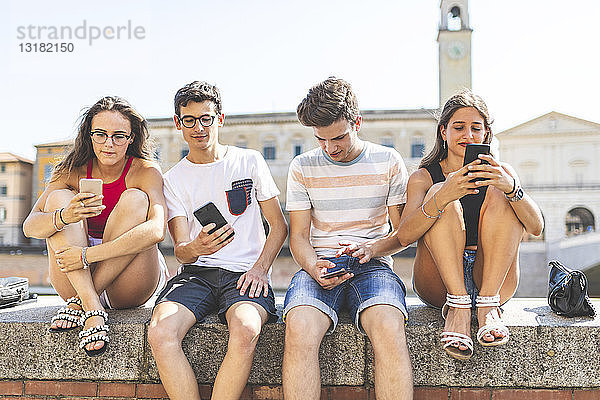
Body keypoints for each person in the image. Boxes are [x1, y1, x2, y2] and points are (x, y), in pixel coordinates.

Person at [147, 81, 287, 400]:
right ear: (178, 123)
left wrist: (260, 269)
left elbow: (278, 226)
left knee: (247, 329)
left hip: (246, 275)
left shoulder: (249, 161)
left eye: (206, 118)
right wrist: (196, 247)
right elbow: (182, 251)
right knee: (160, 332)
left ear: (220, 118)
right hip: (198, 276)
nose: (199, 127)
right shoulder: (173, 180)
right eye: (190, 120)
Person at [282, 77, 413, 400]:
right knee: (298, 328)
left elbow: (403, 234)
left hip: (374, 265)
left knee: (387, 326)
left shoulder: (388, 161)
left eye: (338, 137)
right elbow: (297, 237)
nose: (330, 148)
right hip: (320, 265)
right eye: (321, 139)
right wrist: (313, 266)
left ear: (357, 122)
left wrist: (372, 248)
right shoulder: (302, 166)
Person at [396, 90, 544, 360]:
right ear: (443, 132)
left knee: (503, 192)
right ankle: (458, 307)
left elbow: (536, 227)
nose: (468, 135)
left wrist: (511, 187)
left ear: (486, 133)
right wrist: (443, 195)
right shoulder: (422, 177)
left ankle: (487, 306)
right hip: (438, 279)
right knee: (439, 192)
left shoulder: (501, 171)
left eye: (476, 128)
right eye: (459, 127)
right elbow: (404, 235)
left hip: (492, 277)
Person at [23, 96, 168, 357]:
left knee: (136, 198)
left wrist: (87, 256)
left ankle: (85, 305)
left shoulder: (145, 171)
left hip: (128, 280)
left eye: (119, 136)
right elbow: (30, 227)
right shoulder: (70, 170)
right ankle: (92, 306)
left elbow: (157, 230)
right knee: (58, 200)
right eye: (100, 134)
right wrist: (66, 215)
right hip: (76, 278)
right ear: (89, 135)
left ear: (132, 138)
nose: (109, 144)